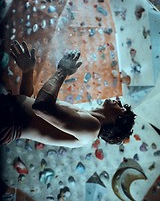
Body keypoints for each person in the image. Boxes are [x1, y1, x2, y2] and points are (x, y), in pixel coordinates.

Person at [0, 41, 136, 148]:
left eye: (121, 108)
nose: (118, 101)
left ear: (117, 119)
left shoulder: (92, 128)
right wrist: (28, 71)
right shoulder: (86, 119)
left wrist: (62, 72)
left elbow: (41, 107)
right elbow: (30, 104)